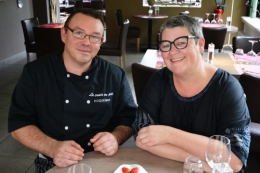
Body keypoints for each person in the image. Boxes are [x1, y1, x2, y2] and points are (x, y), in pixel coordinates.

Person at [8, 9, 137, 173]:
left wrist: (115, 137)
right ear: (64, 34)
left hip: (103, 160)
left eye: (95, 37)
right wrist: (52, 147)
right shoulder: (35, 73)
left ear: (101, 42)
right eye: (78, 33)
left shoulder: (114, 75)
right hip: (52, 161)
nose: (86, 42)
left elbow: (128, 117)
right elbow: (18, 123)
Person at [132, 15, 250, 173]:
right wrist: (200, 161)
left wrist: (168, 135)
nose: (173, 52)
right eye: (166, 45)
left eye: (181, 43)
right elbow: (141, 137)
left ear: (201, 44)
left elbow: (235, 160)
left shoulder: (228, 88)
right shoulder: (159, 80)